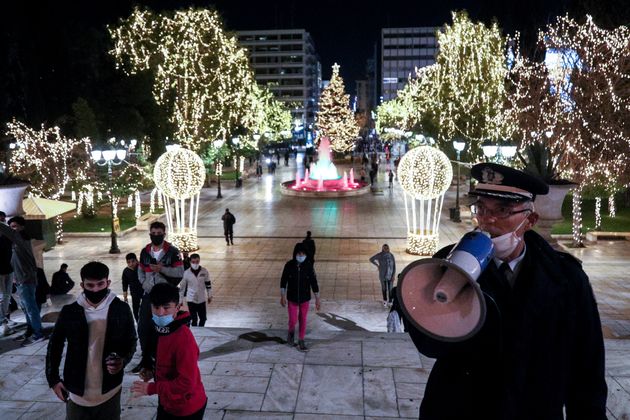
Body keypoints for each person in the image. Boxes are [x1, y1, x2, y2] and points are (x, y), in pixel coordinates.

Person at [404, 163, 607, 419]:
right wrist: (440, 295)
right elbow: (429, 347)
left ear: (529, 220)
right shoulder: (444, 265)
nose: (488, 219)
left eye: (502, 210)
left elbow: (586, 364)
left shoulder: (566, 278)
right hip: (460, 409)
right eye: (481, 208)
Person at [46, 261, 137, 420]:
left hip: (110, 389)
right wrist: (53, 378)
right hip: (76, 390)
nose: (95, 289)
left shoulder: (121, 309)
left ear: (108, 282)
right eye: (90, 285)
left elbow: (131, 340)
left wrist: (123, 360)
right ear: (82, 285)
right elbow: (55, 345)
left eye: (100, 284)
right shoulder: (70, 312)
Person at [131, 283, 207, 419]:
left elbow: (187, 383)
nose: (160, 313)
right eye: (156, 307)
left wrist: (152, 388)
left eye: (166, 308)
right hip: (167, 401)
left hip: (186, 407)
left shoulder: (183, 338)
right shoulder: (156, 329)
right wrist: (150, 369)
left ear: (177, 307)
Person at [134, 221, 184, 374]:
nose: (156, 236)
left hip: (166, 296)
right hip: (149, 294)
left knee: (165, 328)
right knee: (144, 327)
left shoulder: (173, 252)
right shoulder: (145, 251)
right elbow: (141, 271)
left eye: (159, 233)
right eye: (153, 233)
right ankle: (146, 359)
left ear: (164, 233)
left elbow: (179, 273)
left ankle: (163, 358)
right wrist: (144, 284)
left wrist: (162, 269)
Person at [0, 216, 44, 346]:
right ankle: (30, 331)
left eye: (15, 226)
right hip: (20, 280)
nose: (13, 229)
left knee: (31, 308)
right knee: (25, 308)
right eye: (11, 227)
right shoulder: (15, 242)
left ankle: (38, 334)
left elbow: (5, 229)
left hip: (26, 279)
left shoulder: (21, 239)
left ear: (22, 227)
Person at [280, 243, 320, 352]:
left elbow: (313, 282)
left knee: (303, 319)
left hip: (305, 298)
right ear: (295, 254)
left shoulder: (308, 266)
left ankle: (301, 339)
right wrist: (282, 296)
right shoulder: (289, 265)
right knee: (292, 320)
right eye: (299, 253)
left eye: (303, 254)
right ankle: (291, 333)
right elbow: (283, 280)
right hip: (292, 298)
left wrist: (317, 298)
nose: (301, 255)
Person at [178, 253, 212, 327]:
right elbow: (182, 288)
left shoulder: (204, 271)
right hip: (191, 299)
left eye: (197, 262)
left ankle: (201, 330)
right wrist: (180, 300)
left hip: (201, 298)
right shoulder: (186, 273)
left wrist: (209, 295)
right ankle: (195, 333)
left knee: (203, 318)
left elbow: (208, 284)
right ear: (190, 262)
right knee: (194, 319)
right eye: (193, 262)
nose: (195, 264)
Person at [0, 210, 14, 336]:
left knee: (7, 296)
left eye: (3, 220)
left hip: (9, 270)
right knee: (2, 297)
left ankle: (5, 320)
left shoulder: (6, 236)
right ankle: (2, 322)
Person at [122, 253, 143, 322]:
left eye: (133, 261)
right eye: (128, 262)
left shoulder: (142, 267)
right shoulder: (126, 271)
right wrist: (125, 297)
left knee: (146, 308)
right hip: (134, 293)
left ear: (136, 260)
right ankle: (138, 322)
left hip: (145, 291)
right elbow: (125, 284)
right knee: (135, 309)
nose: (131, 264)